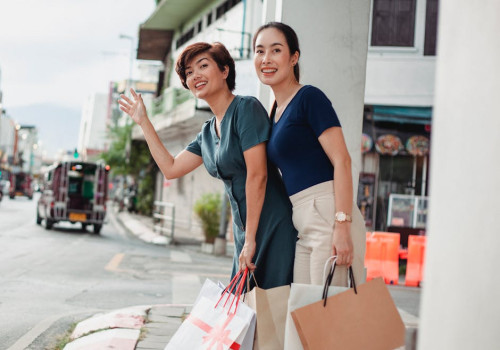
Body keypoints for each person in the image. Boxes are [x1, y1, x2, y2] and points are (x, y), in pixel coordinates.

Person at [119, 42, 297, 289]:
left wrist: (251, 239)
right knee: (244, 311)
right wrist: (143, 122)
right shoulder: (206, 132)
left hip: (272, 225)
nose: (195, 76)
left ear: (224, 71)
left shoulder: (246, 109)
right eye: (189, 73)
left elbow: (257, 176)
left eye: (203, 66)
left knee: (270, 309)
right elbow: (171, 168)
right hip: (244, 232)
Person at [253, 22, 366, 286]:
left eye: (276, 50)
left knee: (328, 317)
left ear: (294, 57)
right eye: (259, 51)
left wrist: (342, 225)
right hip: (302, 219)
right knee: (303, 315)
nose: (266, 59)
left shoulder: (309, 98)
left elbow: (342, 160)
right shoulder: (275, 112)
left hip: (328, 212)